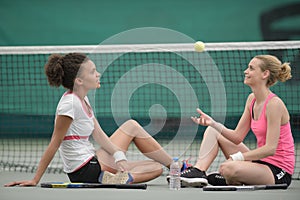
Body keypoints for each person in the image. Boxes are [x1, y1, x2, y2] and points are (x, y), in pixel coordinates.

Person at [5, 53, 173, 187]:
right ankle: (171, 169)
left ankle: (172, 168)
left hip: (93, 160)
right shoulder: (69, 105)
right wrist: (35, 179)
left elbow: (99, 135)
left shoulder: (83, 99)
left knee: (151, 162)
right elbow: (54, 143)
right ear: (79, 80)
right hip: (85, 170)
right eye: (92, 72)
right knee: (156, 167)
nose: (98, 74)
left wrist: (119, 156)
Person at [180, 55, 295, 187]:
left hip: (278, 170)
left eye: (251, 68)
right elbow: (237, 137)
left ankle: (233, 177)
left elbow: (270, 149)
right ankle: (198, 171)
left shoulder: (274, 104)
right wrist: (213, 123)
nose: (246, 71)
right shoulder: (252, 99)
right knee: (213, 131)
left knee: (227, 168)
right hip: (259, 162)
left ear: (265, 74)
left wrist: (237, 157)